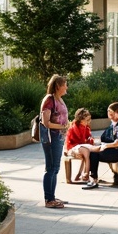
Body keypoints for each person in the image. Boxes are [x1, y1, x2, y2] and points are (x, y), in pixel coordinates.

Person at [39, 74, 70, 208]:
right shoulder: (49, 100)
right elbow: (46, 123)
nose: (66, 87)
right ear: (58, 86)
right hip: (52, 138)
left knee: (55, 168)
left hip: (59, 137)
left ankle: (52, 196)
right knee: (51, 168)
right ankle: (49, 199)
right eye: (65, 84)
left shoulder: (59, 99)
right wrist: (63, 126)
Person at [82, 102, 118, 189]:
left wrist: (104, 146)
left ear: (116, 113)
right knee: (91, 151)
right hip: (111, 150)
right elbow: (105, 138)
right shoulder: (113, 124)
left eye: (110, 111)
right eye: (108, 111)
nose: (108, 112)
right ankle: (91, 177)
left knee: (93, 154)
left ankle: (93, 179)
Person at [65, 108, 102, 183]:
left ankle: (84, 174)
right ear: (81, 120)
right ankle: (86, 173)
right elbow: (68, 141)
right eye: (87, 120)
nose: (89, 121)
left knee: (95, 149)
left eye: (90, 119)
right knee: (86, 151)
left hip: (82, 146)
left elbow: (88, 138)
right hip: (73, 147)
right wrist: (68, 150)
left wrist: (91, 141)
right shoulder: (73, 128)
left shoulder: (86, 127)